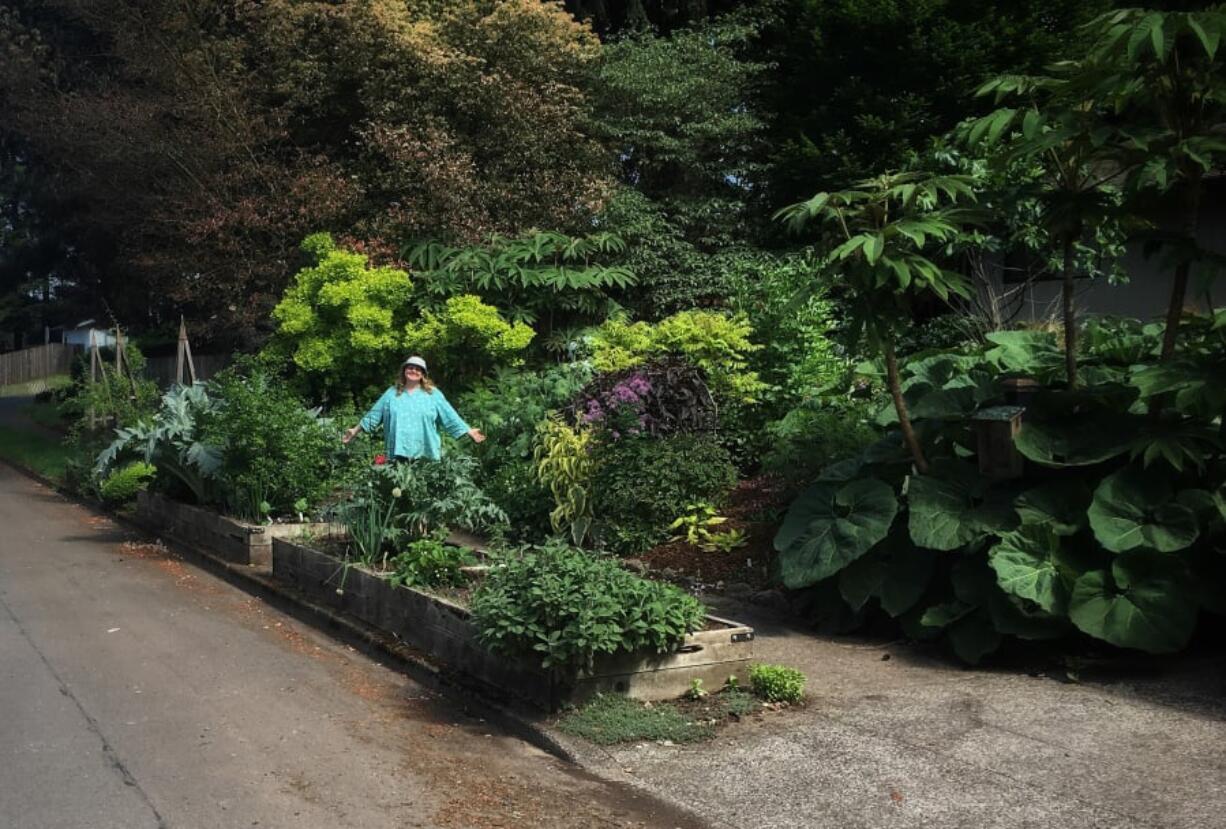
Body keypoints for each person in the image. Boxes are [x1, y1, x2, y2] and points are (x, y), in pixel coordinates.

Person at [342, 356, 484, 460]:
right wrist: (355, 430)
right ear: (404, 371)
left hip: (425, 453)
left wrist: (468, 430)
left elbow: (450, 415)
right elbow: (374, 414)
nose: (413, 371)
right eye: (410, 367)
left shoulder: (433, 394)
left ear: (423, 374)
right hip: (397, 452)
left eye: (418, 369)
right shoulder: (391, 394)